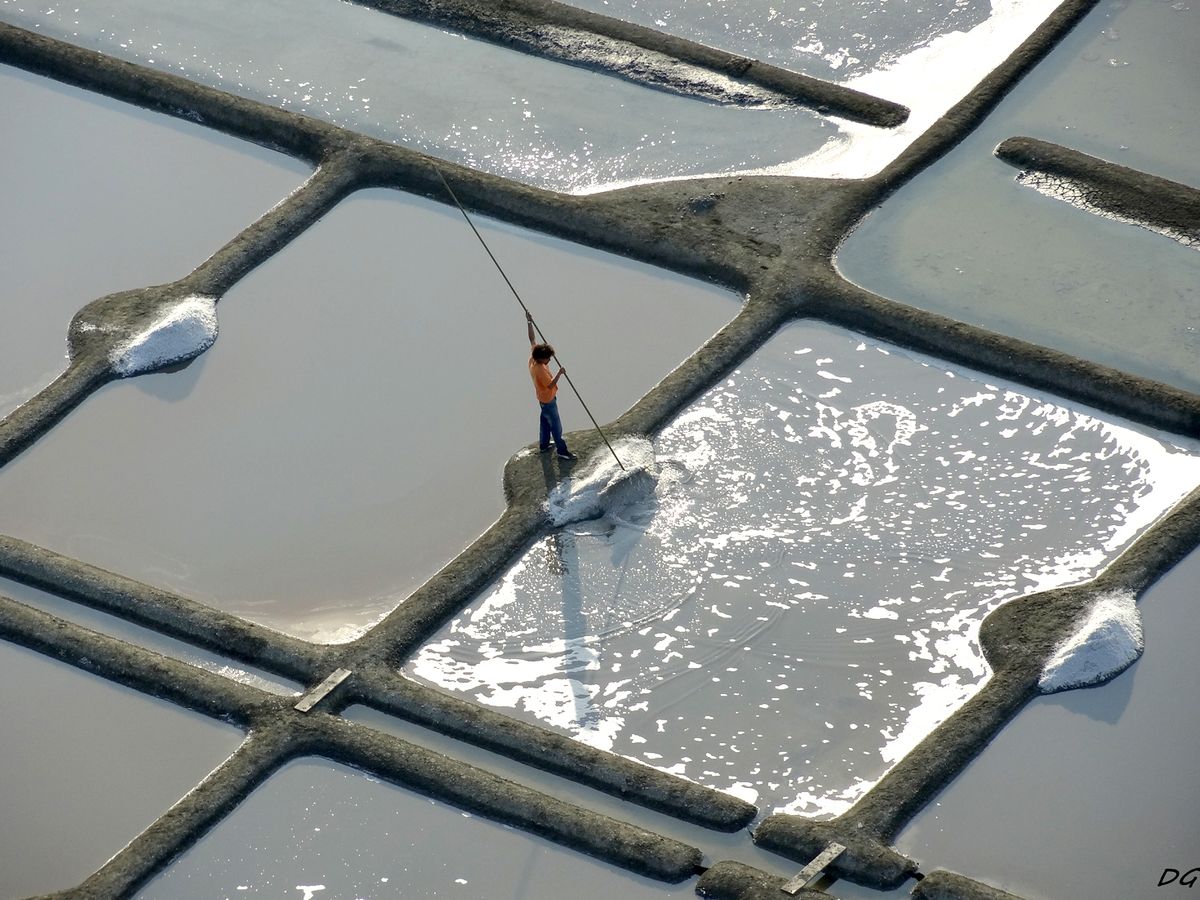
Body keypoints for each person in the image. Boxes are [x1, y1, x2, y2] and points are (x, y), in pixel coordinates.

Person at [526, 311, 576, 459]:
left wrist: (529, 322)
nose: (549, 361)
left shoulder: (534, 357)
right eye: (548, 359)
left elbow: (532, 339)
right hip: (548, 399)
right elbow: (550, 385)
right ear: (542, 359)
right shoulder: (540, 370)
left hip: (542, 399)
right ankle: (562, 451)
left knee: (545, 422)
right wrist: (560, 373)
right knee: (556, 425)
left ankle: (544, 445)